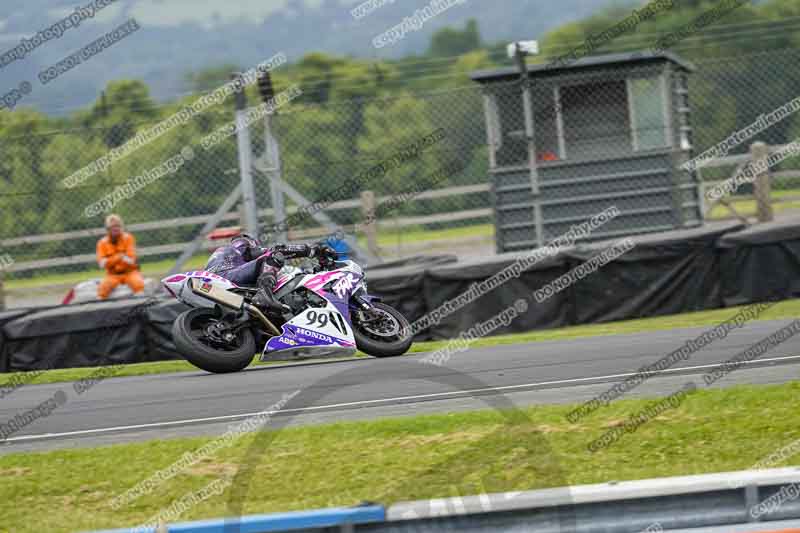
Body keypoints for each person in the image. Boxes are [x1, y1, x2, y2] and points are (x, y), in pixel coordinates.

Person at [205, 233, 336, 314]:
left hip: (216, 285)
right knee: (274, 255)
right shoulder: (240, 244)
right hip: (228, 277)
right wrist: (312, 250)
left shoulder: (224, 255)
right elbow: (277, 250)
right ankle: (264, 294)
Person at [96, 214, 145, 300]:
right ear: (107, 229)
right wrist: (120, 256)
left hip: (130, 272)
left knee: (138, 285)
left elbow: (131, 260)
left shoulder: (128, 238)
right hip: (112, 274)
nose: (116, 228)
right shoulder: (102, 243)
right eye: (113, 226)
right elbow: (102, 264)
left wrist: (110, 260)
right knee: (102, 290)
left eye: (118, 226)